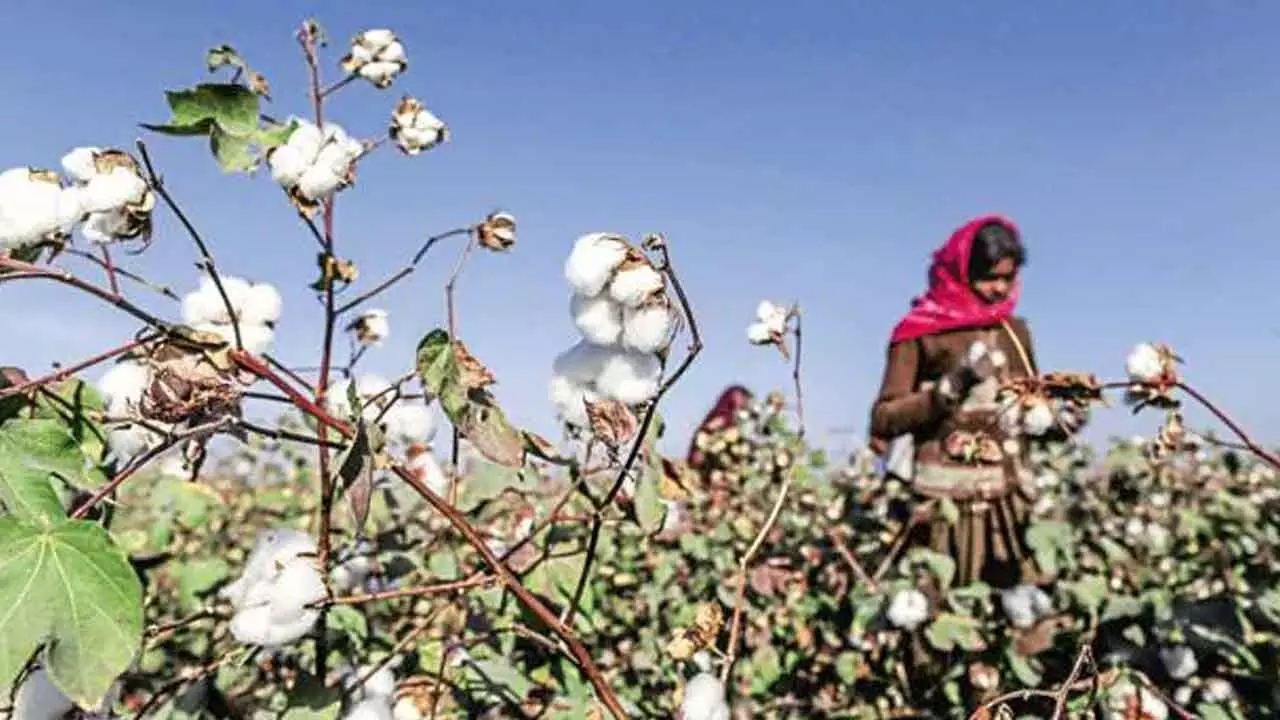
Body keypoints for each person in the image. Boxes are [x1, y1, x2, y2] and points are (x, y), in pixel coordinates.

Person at [868, 214, 1043, 590]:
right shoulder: (920, 332)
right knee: (941, 618)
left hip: (1008, 506)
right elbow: (884, 418)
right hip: (942, 508)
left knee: (1019, 623)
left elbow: (1030, 409)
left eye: (1007, 278)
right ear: (961, 272)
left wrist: (1059, 417)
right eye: (988, 277)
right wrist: (950, 388)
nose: (999, 289)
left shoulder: (1015, 333)